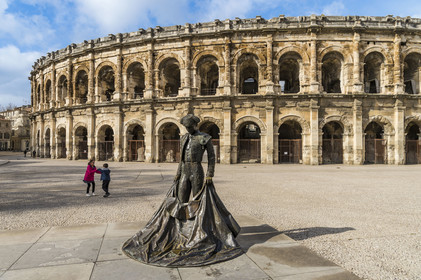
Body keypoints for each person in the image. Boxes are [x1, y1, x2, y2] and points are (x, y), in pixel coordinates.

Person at [122, 114, 242, 267]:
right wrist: (178, 173)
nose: (188, 129)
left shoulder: (204, 137)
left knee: (198, 202)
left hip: (197, 169)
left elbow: (211, 157)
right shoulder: (184, 137)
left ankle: (200, 229)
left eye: (189, 126)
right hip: (185, 170)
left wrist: (210, 174)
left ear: (194, 125)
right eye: (186, 127)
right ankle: (180, 231)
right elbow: (182, 159)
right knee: (180, 200)